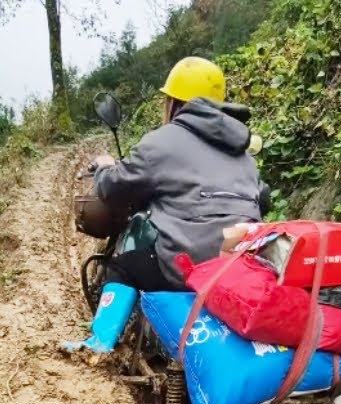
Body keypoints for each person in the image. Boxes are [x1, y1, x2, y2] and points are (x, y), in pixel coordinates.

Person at [63, 56, 268, 353]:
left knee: (123, 266)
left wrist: (106, 167)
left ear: (175, 103)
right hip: (235, 269)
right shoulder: (245, 155)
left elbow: (113, 187)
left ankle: (99, 343)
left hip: (183, 267)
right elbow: (263, 196)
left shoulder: (163, 141)